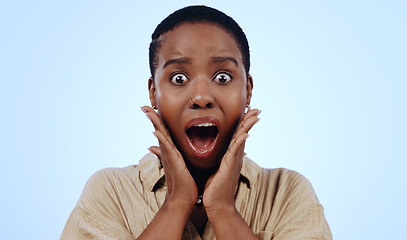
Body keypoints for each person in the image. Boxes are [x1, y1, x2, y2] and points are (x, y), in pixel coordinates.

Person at [61, 5, 332, 240]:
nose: (202, 97)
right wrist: (176, 204)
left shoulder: (287, 192)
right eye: (179, 78)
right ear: (153, 92)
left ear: (248, 90)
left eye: (223, 77)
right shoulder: (110, 191)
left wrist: (223, 210)